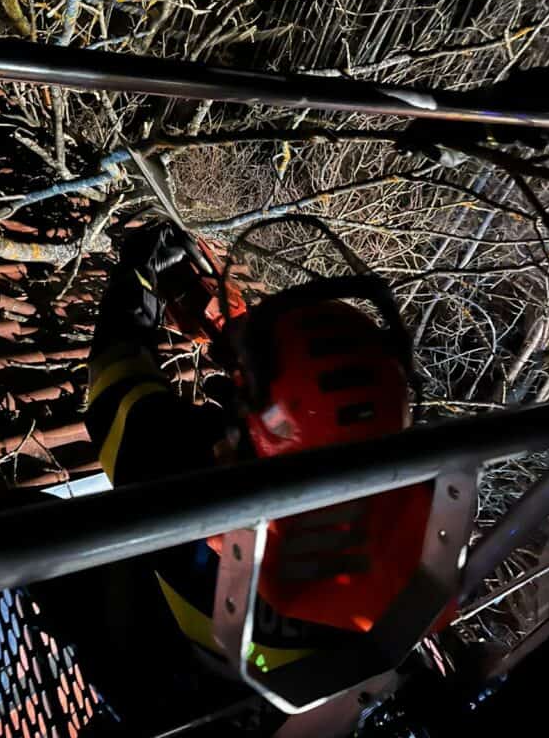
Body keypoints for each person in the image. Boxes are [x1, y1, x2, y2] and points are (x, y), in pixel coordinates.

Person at [85, 221, 436, 675]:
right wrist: (243, 349)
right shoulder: (421, 522)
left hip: (183, 672)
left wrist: (138, 274)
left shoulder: (191, 484)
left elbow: (114, 386)